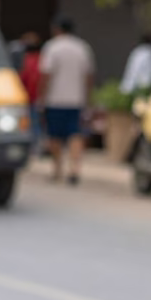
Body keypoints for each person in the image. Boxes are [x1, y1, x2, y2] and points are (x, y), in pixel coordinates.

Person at [37, 16, 95, 185]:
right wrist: (87, 97)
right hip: (76, 99)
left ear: (56, 29)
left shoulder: (52, 47)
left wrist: (41, 96)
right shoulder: (82, 48)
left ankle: (57, 169)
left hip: (55, 99)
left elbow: (46, 74)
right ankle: (74, 169)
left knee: (54, 135)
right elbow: (89, 76)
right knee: (75, 134)